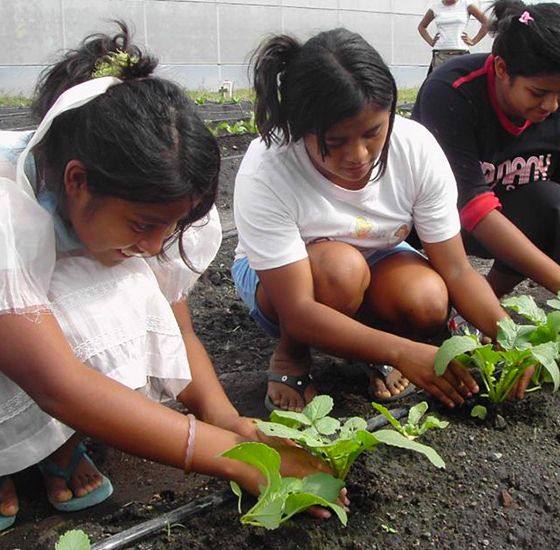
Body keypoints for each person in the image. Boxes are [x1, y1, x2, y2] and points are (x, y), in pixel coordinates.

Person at [0, 24, 342, 531]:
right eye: (142, 225)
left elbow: (178, 330)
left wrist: (228, 422)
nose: (154, 245)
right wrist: (230, 456)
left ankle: (58, 445)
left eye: (169, 228)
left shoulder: (139, 215)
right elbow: (56, 381)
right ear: (76, 179)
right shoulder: (7, 207)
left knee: (132, 290)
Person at [232, 28, 524, 414]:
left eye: (372, 133)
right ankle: (291, 357)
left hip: (378, 254)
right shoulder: (268, 167)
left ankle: (372, 346)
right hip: (285, 287)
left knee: (428, 300)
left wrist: (510, 336)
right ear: (301, 126)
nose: (358, 155)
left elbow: (456, 269)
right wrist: (403, 352)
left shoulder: (415, 148)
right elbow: (299, 309)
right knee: (340, 271)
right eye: (334, 142)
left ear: (390, 111)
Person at [412, 0, 560, 299]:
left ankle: (483, 299)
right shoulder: (453, 92)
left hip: (499, 219)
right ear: (501, 68)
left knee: (557, 206)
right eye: (538, 92)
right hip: (429, 221)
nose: (551, 106)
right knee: (424, 303)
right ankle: (451, 297)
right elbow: (471, 203)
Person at [418, 0, 489, 74]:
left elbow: (486, 23)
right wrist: (431, 41)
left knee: (460, 82)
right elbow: (422, 27)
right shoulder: (435, 7)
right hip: (440, 54)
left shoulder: (467, 5)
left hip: (461, 53)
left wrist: (474, 41)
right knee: (439, 82)